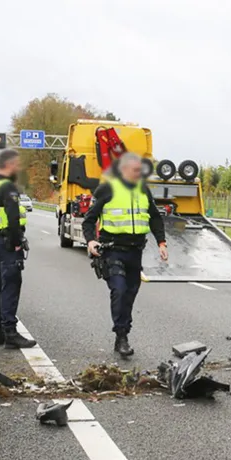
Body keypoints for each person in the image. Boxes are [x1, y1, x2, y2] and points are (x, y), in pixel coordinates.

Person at [83, 152, 168, 356]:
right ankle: (121, 336)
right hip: (112, 250)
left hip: (135, 252)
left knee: (130, 295)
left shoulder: (143, 190)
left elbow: (155, 218)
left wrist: (162, 243)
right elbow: (89, 219)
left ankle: (123, 332)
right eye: (135, 170)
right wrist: (90, 241)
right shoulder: (107, 189)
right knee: (119, 290)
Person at [0, 149, 35, 349]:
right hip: (7, 242)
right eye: (17, 164)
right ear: (10, 164)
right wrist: (16, 241)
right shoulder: (8, 187)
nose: (18, 168)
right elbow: (13, 218)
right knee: (10, 287)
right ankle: (10, 333)